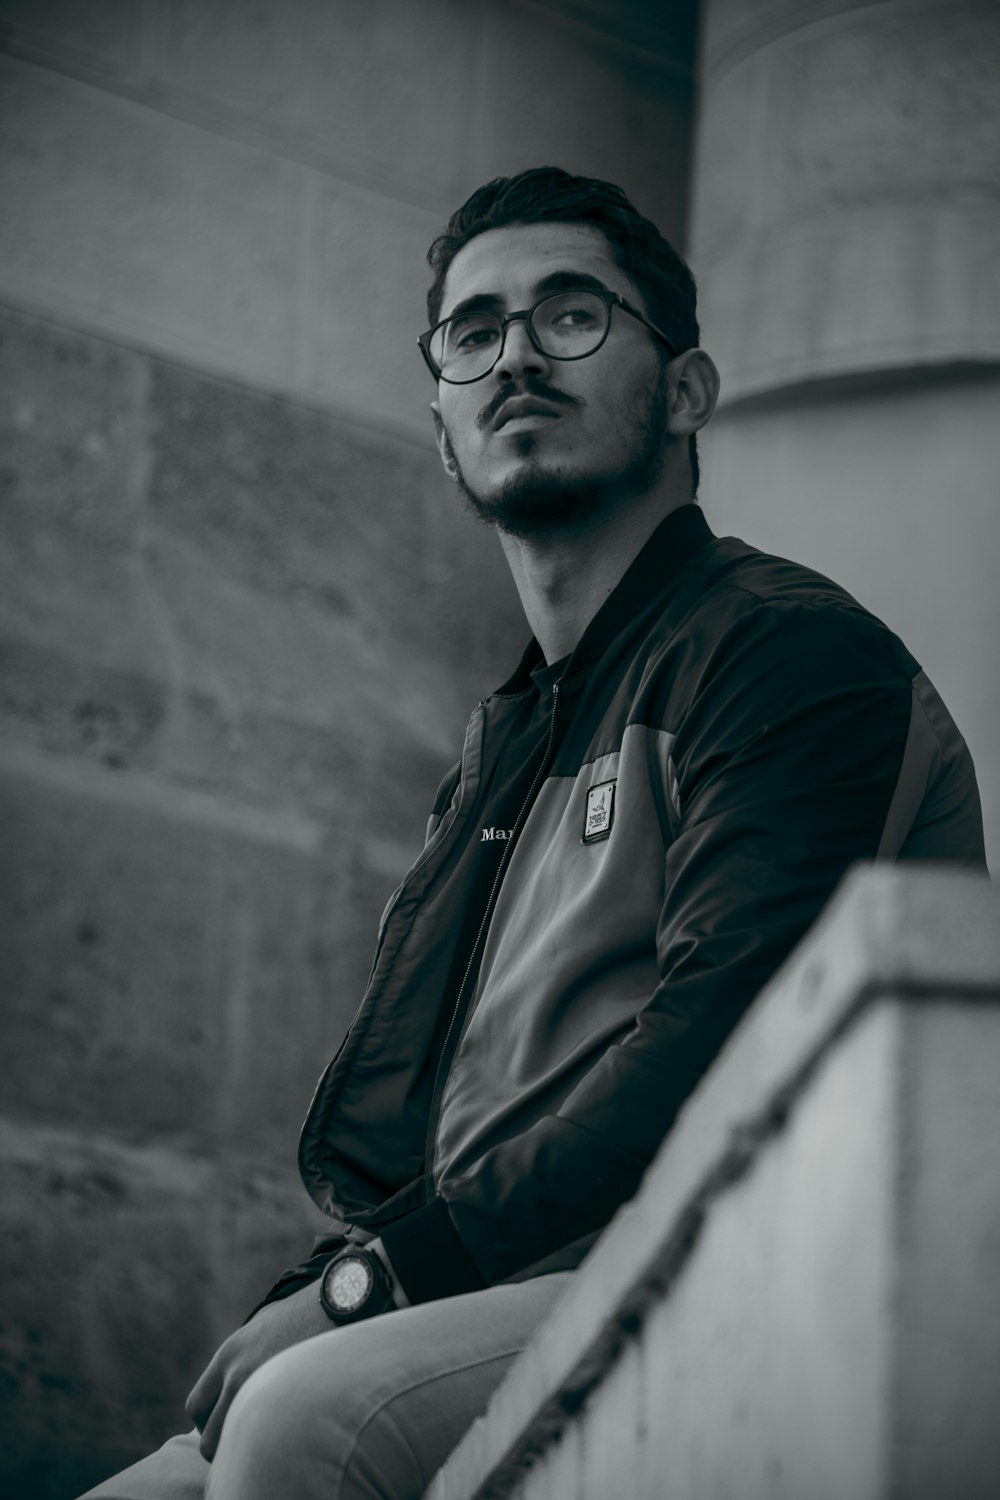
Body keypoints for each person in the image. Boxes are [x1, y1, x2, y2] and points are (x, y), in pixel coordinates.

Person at [80, 166, 986, 1500]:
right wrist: (336, 1284)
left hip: (732, 1244)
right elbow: (463, 1140)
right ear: (443, 425)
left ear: (684, 392)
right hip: (504, 1290)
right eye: (474, 330)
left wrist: (359, 1289)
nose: (514, 355)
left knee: (298, 1427)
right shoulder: (502, 746)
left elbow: (715, 1044)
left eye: (572, 317)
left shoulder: (787, 652)